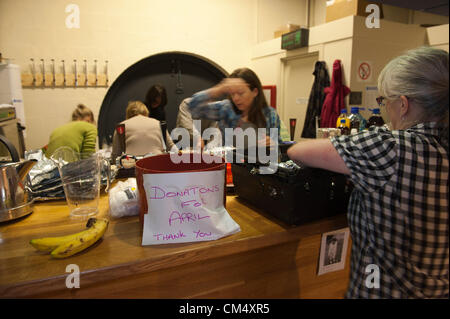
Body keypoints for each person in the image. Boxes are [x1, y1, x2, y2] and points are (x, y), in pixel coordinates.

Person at [287, 46, 449, 298]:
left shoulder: (390, 147)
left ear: (403, 104)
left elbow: (298, 152)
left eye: (385, 101)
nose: (384, 109)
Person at [187, 68, 282, 146]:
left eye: (240, 93)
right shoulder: (226, 109)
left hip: (259, 166)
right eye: (232, 94)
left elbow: (280, 148)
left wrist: (273, 143)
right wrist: (219, 89)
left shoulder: (270, 114)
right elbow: (193, 107)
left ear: (255, 92)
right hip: (231, 165)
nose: (235, 98)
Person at [111, 100, 175, 159]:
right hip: (157, 164)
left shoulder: (121, 126)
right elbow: (171, 147)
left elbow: (116, 155)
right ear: (146, 111)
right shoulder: (159, 124)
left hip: (132, 166)